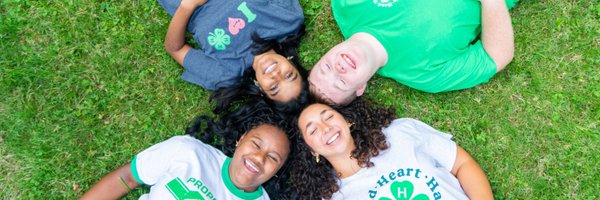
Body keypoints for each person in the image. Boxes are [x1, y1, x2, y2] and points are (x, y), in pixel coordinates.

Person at [309, 0, 519, 105]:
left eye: (326, 67)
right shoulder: (424, 75)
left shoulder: (348, 6)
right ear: (361, 88)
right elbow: (497, 56)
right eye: (341, 82)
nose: (339, 68)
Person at [81, 99, 297, 199]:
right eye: (256, 144)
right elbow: (128, 177)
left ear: (278, 170)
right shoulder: (188, 151)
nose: (259, 158)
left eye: (273, 157)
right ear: (240, 140)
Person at [291, 99, 493, 199]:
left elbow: (461, 164)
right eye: (313, 130)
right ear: (312, 151)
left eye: (328, 117)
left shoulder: (398, 134)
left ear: (347, 121)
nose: (326, 128)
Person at [160, 0, 306, 103]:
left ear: (261, 90)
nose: (276, 75)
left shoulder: (225, 73)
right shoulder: (288, 20)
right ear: (293, 63)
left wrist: (188, 5)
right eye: (289, 75)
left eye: (274, 87)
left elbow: (175, 48)